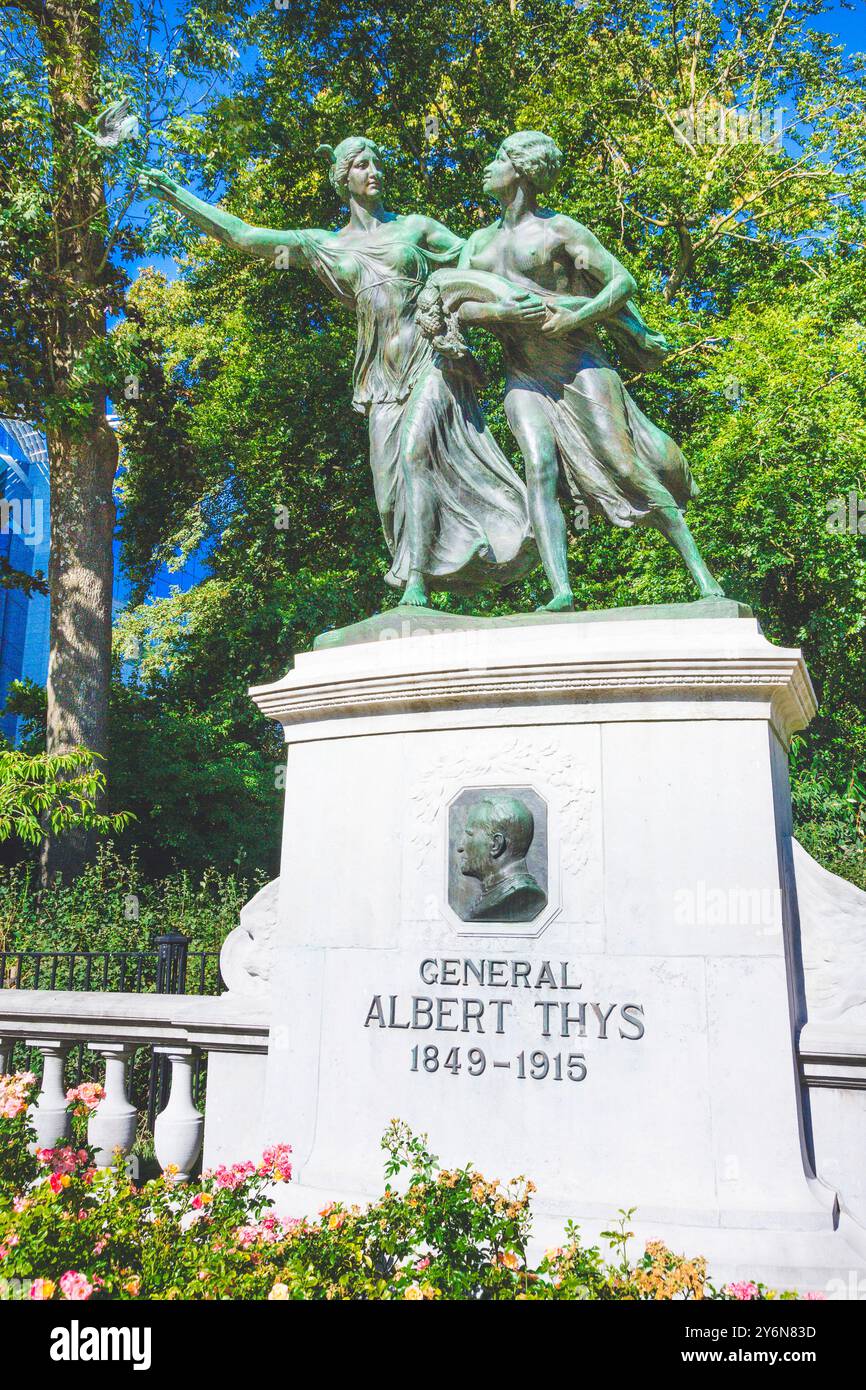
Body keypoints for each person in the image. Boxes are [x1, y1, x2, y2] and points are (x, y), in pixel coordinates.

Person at [138, 137, 535, 608]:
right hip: (380, 377)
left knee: (414, 455)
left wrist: (531, 236)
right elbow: (245, 236)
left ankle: (416, 585)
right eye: (362, 164)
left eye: (377, 163)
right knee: (388, 495)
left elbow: (481, 254)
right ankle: (429, 567)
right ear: (342, 177)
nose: (374, 172)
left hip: (430, 358)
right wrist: (174, 194)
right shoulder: (327, 244)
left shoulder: (416, 228)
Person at [445, 130, 724, 611]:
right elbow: (457, 305)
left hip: (580, 366)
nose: (487, 167)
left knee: (624, 465)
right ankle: (562, 592)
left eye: (498, 158)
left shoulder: (560, 231)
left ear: (523, 170)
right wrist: (505, 315)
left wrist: (575, 315)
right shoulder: (477, 244)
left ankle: (704, 577)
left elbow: (623, 281)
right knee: (539, 467)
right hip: (524, 375)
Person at [456, 794, 547, 923]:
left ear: (496, 844)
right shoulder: (494, 893)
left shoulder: (519, 897)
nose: (460, 847)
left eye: (469, 835)